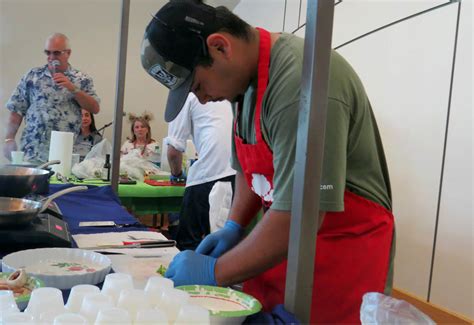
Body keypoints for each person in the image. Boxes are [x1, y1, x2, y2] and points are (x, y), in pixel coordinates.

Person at [140, 1, 395, 323]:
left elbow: (303, 211)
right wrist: (234, 224)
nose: (202, 99)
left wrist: (215, 271)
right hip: (286, 244)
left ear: (220, 46)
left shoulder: (300, 83)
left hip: (340, 249)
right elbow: (250, 169)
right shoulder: (243, 86)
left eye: (198, 86)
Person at [3, 33, 100, 163]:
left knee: (60, 183)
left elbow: (94, 108)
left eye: (56, 53)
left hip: (64, 152)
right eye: (47, 53)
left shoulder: (81, 79)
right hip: (33, 150)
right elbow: (16, 109)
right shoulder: (32, 76)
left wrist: (73, 89)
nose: (51, 57)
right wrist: (9, 139)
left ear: (68, 53)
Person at [165, 92, 236, 250]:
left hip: (213, 174)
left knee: (190, 246)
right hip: (240, 174)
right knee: (229, 244)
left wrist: (176, 174)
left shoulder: (183, 94)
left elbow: (173, 151)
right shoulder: (225, 87)